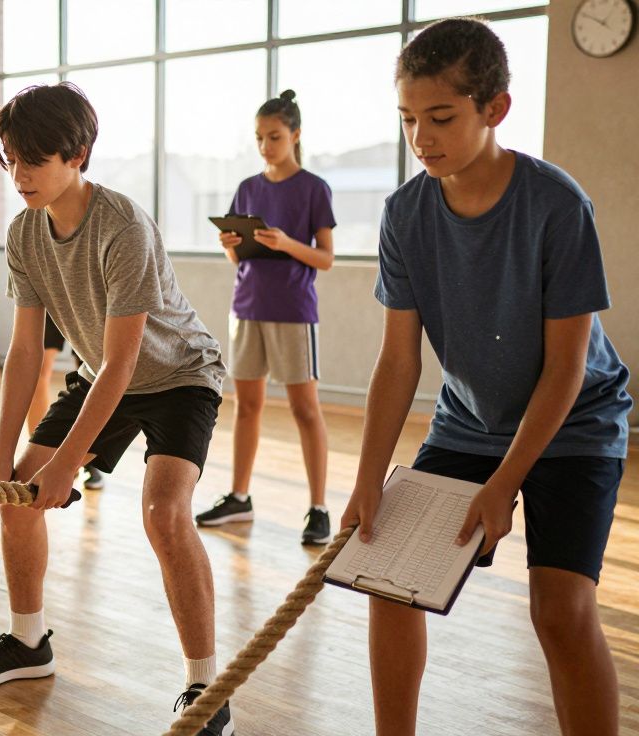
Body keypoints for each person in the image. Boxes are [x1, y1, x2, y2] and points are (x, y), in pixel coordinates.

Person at [341, 18, 631, 735]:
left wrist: (505, 482)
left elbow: (566, 367)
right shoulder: (404, 214)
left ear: (495, 108)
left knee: (559, 611)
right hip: (467, 423)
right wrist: (368, 479)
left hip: (575, 422)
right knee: (390, 582)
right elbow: (398, 360)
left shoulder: (556, 205)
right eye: (408, 118)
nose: (421, 138)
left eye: (441, 117)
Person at [0, 83, 233, 736]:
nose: (19, 176)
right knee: (19, 492)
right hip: (100, 374)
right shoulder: (25, 233)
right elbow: (26, 351)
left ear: (76, 155)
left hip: (179, 375)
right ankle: (28, 643)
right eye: (10, 162)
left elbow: (125, 363)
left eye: (33, 161)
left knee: (164, 513)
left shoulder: (122, 226)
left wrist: (69, 463)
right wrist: (0, 460)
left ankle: (205, 684)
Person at [195, 90, 337, 545]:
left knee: (305, 409)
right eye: (259, 138)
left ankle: (319, 507)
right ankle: (240, 497)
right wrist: (231, 247)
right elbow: (240, 261)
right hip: (246, 307)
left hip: (293, 311)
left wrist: (286, 243)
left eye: (274, 137)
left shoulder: (314, 188)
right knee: (246, 407)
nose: (265, 146)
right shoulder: (247, 188)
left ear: (295, 135)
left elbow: (325, 258)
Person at [26, 314, 104, 490]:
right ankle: (39, 455)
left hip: (88, 304)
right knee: (37, 372)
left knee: (92, 375)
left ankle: (88, 460)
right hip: (49, 304)